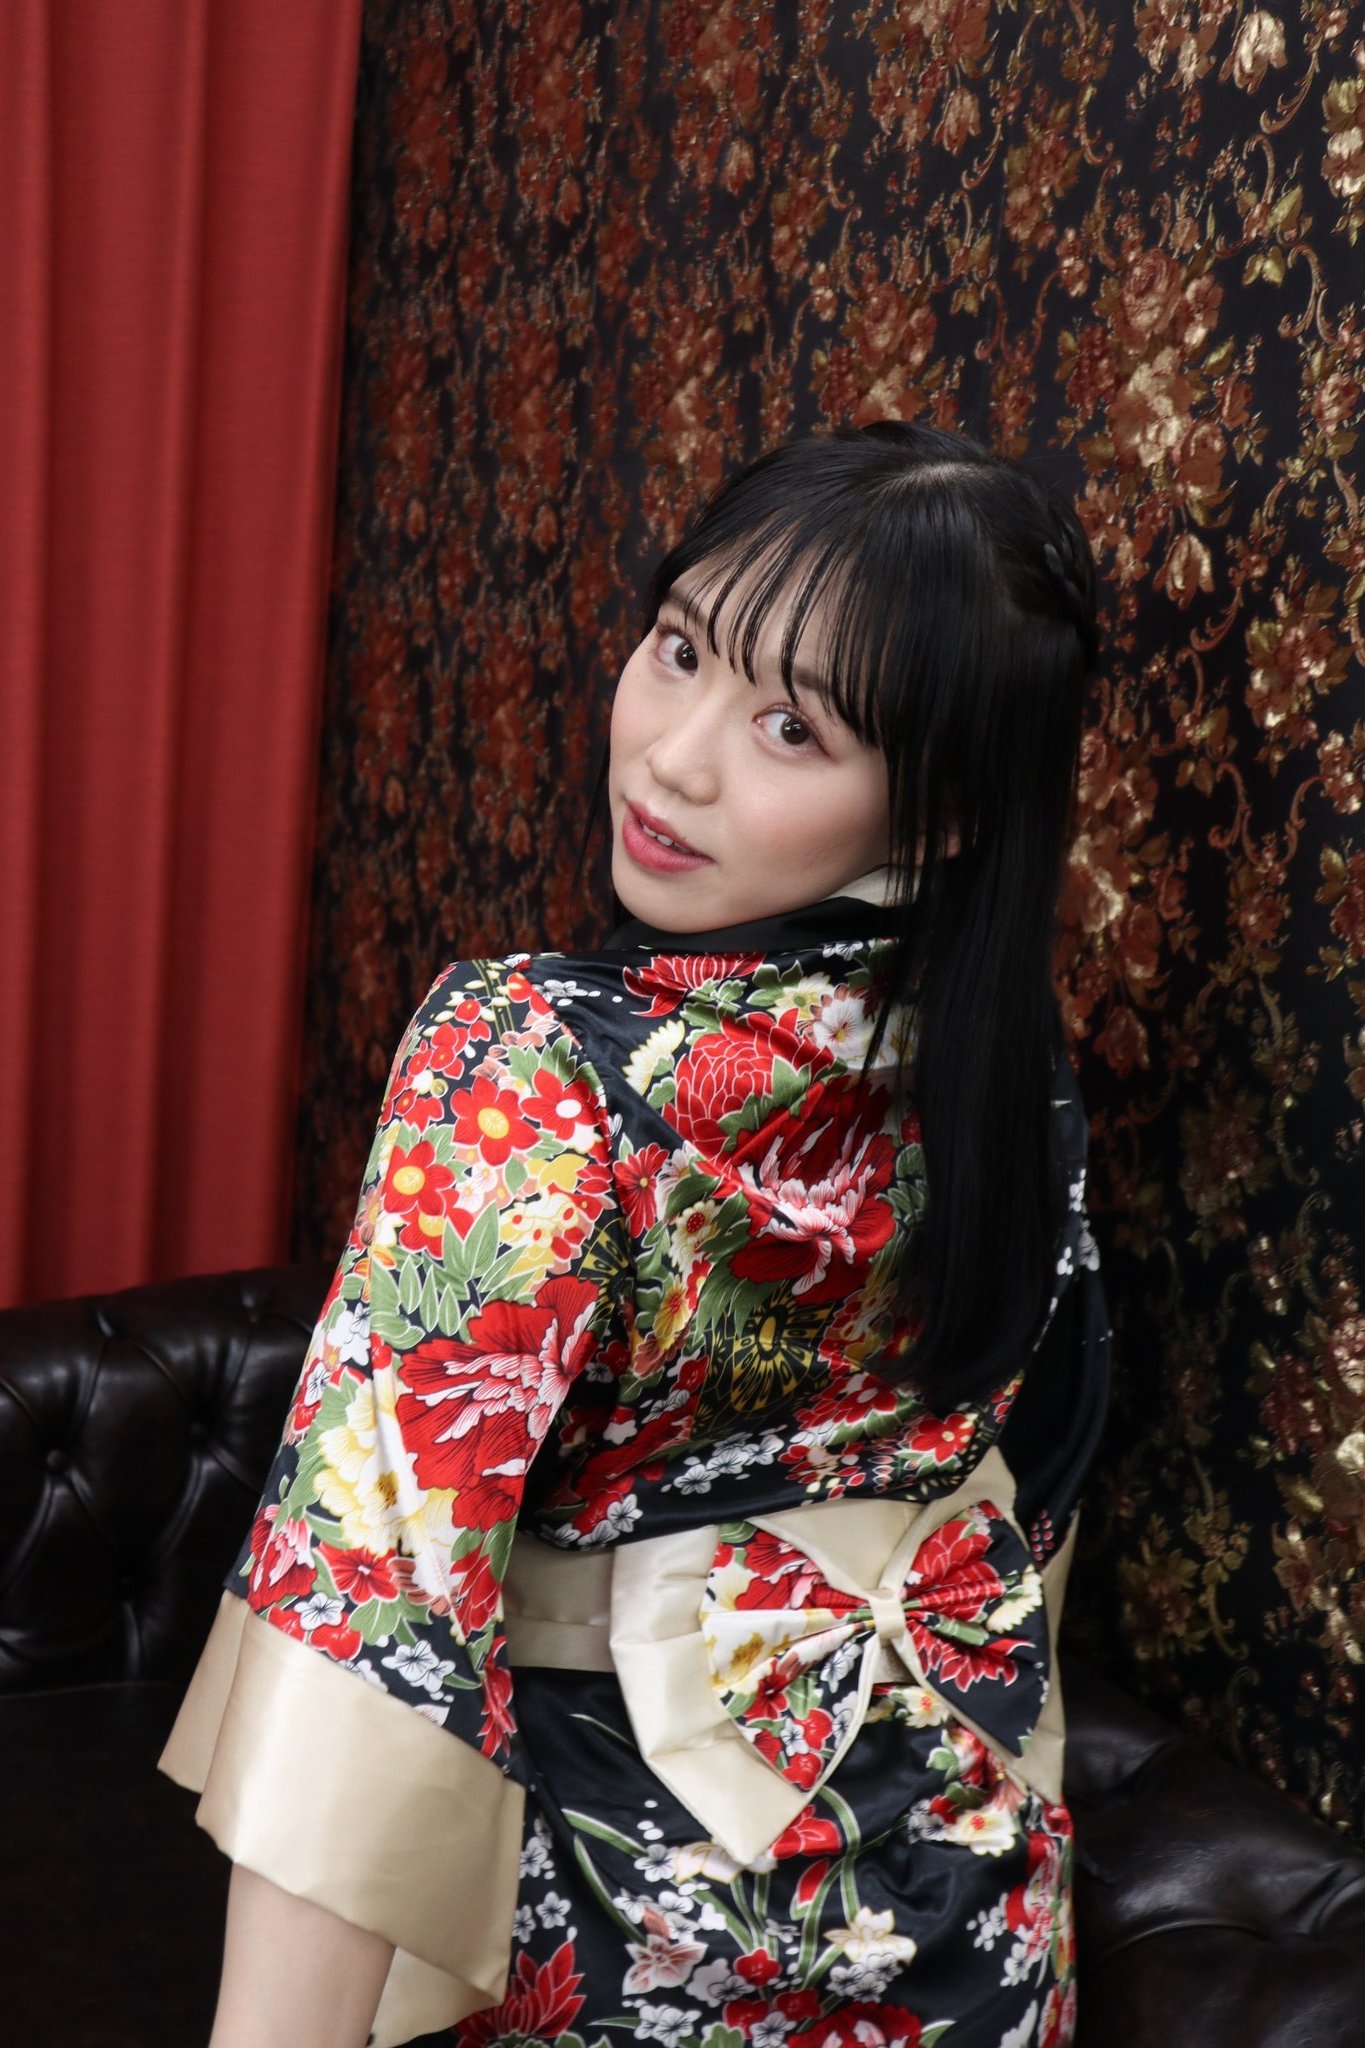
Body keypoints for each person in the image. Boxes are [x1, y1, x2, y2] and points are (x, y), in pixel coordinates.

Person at [160, 419, 1112, 2048]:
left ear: (942, 807)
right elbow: (1031, 1494)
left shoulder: (525, 1055)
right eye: (678, 648)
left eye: (790, 727)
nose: (673, 758)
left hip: (624, 1934)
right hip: (971, 1912)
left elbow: (373, 1612)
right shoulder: (1006, 1057)